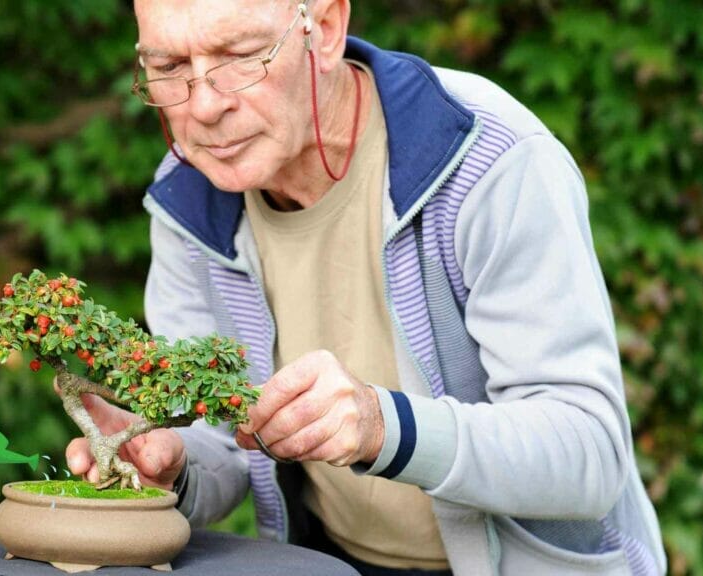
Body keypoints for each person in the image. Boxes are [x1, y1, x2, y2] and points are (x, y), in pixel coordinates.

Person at [65, 1, 666, 574]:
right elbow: (218, 442)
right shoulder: (187, 197)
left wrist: (385, 426)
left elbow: (587, 454)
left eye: (240, 56)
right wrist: (171, 465)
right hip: (328, 561)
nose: (202, 107)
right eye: (169, 68)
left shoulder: (490, 160)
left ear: (323, 29)